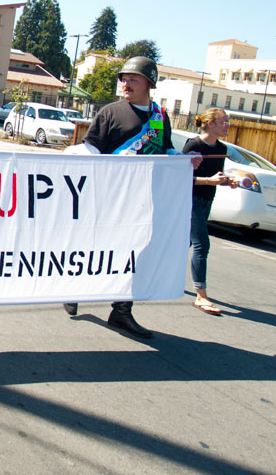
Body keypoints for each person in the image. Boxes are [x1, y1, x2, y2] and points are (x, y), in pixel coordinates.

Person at [62, 56, 201, 339]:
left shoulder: (160, 117)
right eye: (123, 78)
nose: (125, 83)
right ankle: (73, 288)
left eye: (133, 79)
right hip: (108, 195)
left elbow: (164, 150)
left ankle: (121, 311)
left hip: (142, 198)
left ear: (149, 83)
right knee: (92, 244)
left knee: (132, 253)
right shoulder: (110, 112)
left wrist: (184, 160)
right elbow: (92, 151)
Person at [183, 108, 238, 315]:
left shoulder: (221, 147)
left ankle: (149, 276)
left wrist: (226, 181)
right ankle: (201, 296)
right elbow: (181, 177)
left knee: (183, 244)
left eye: (228, 121)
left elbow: (216, 176)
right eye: (223, 121)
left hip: (206, 201)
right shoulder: (194, 145)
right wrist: (209, 180)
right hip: (190, 200)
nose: (227, 125)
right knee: (201, 245)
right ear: (210, 124)